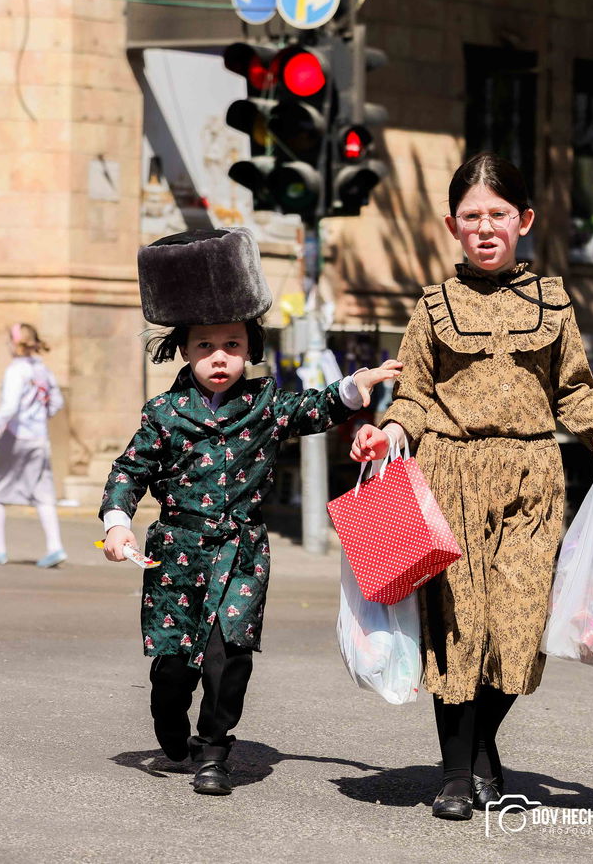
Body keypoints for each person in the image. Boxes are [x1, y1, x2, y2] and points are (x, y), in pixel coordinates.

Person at [350, 153, 593, 821]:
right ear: (451, 225)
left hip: (532, 478)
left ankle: (482, 742)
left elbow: (576, 393)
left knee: (522, 628)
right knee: (459, 630)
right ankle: (458, 774)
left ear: (523, 220)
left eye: (498, 214)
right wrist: (387, 434)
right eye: (472, 216)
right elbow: (412, 397)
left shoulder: (553, 300)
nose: (485, 227)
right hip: (448, 475)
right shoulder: (433, 306)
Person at [98, 227, 400, 797]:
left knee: (230, 656)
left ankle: (215, 750)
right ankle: (173, 730)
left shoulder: (265, 405)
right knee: (172, 669)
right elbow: (127, 472)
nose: (220, 358)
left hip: (242, 553)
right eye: (207, 346)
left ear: (250, 348)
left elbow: (312, 408)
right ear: (184, 349)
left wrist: (357, 387)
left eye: (232, 345)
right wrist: (118, 524)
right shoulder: (162, 413)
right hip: (176, 555)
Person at [0, 323, 67, 567]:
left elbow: (10, 407)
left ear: (15, 343)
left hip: (16, 437)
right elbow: (56, 402)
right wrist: (40, 417)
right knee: (44, 493)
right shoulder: (42, 369)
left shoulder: (16, 370)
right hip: (39, 438)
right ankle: (55, 547)